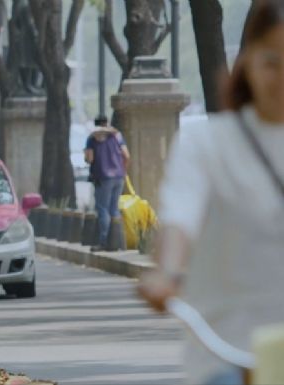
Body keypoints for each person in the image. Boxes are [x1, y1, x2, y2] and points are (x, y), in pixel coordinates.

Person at [138, 1, 284, 384]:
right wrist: (167, 273)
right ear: (247, 60)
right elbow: (180, 218)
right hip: (227, 352)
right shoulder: (206, 144)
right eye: (272, 61)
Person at [85, 115, 130, 252]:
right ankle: (118, 242)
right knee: (114, 209)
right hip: (119, 177)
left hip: (103, 177)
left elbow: (90, 159)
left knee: (103, 208)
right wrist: (123, 170)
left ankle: (104, 242)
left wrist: (86, 157)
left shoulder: (92, 138)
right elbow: (127, 156)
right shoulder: (117, 136)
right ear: (107, 123)